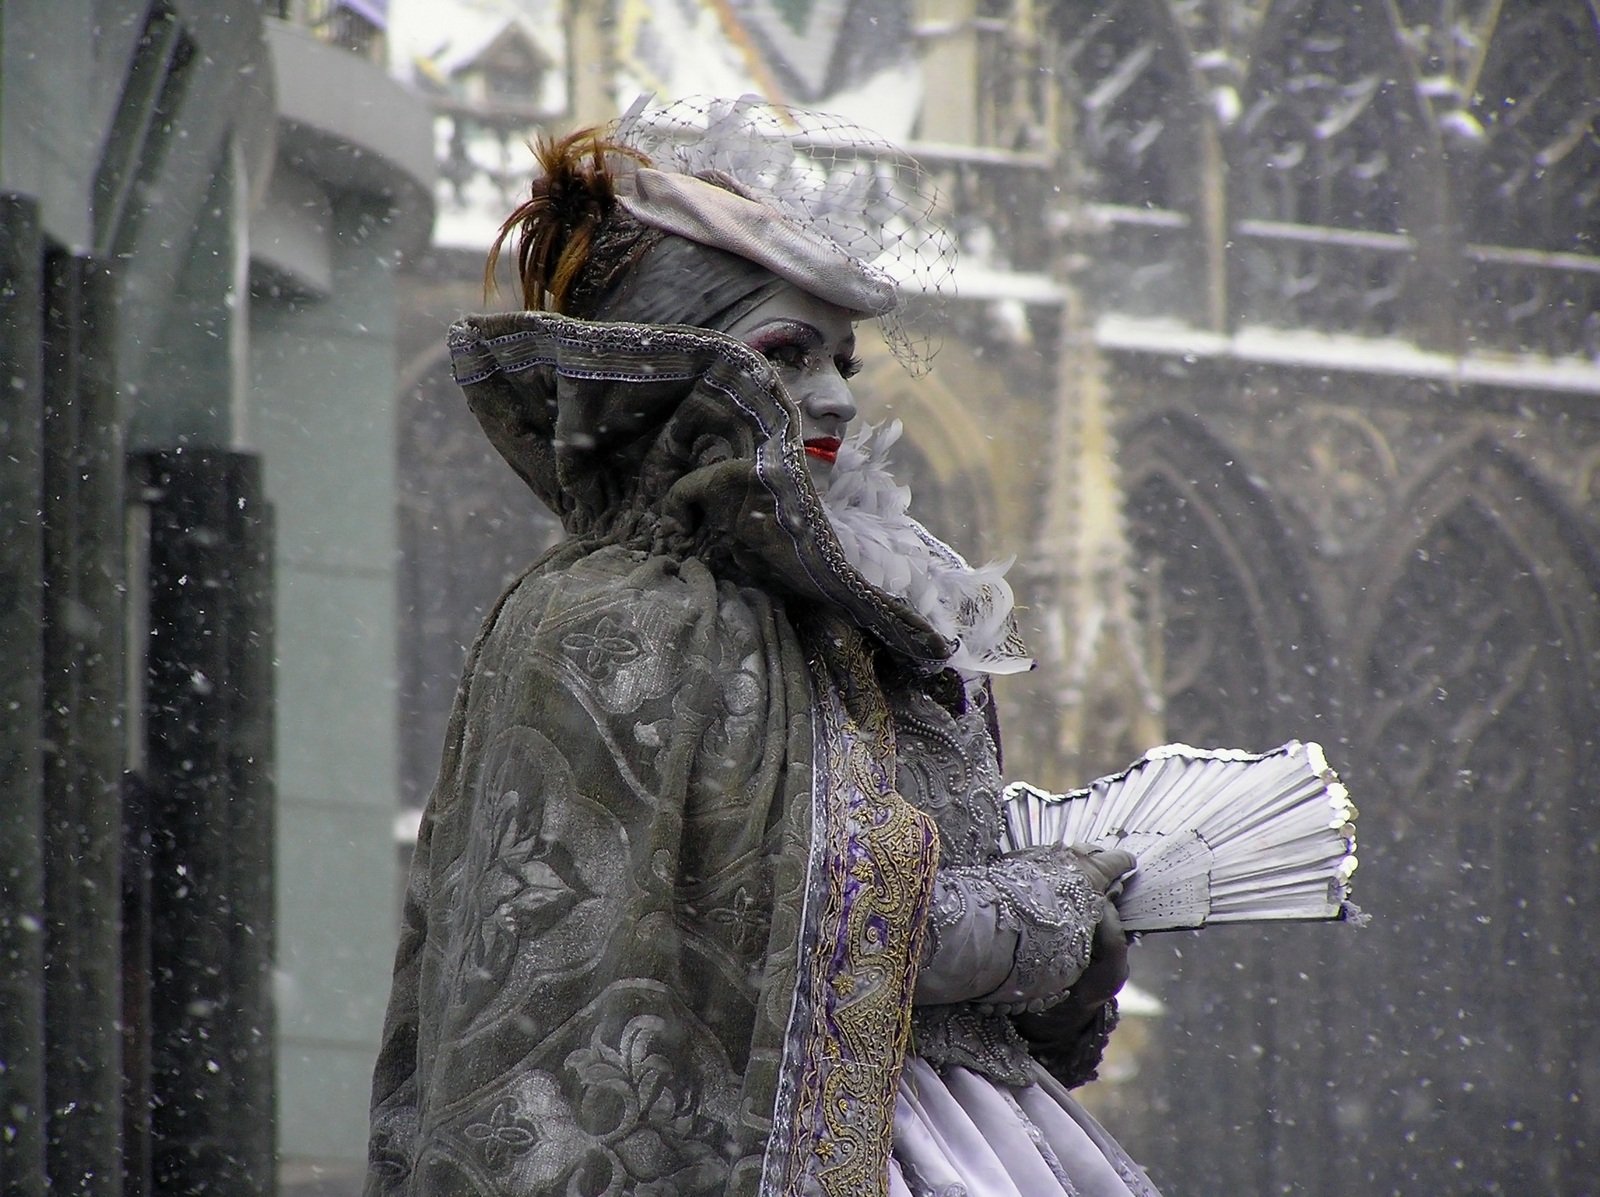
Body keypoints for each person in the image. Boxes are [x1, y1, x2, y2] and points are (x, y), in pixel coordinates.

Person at [366, 96, 1162, 1197]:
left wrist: (1056, 944)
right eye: (787, 355)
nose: (833, 393)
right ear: (681, 369)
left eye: (845, 359)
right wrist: (1052, 912)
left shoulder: (849, 608)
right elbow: (787, 921)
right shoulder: (617, 615)